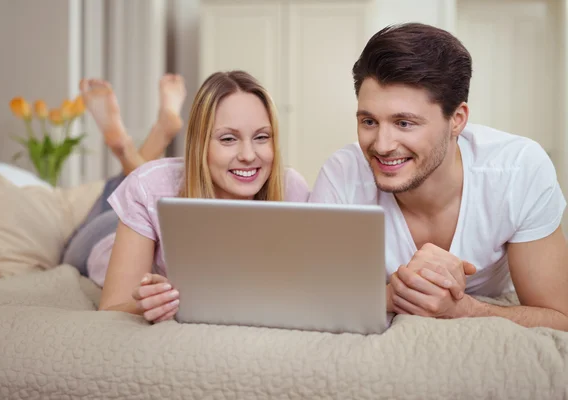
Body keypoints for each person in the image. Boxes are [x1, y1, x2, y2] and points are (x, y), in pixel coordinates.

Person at [309, 22, 568, 331]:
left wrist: (466, 310)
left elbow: (558, 316)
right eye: (368, 121)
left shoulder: (518, 170)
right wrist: (389, 297)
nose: (382, 145)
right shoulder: (342, 174)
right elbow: (312, 298)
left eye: (404, 123)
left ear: (457, 120)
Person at [93, 70, 310, 324]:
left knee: (136, 178)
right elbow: (111, 308)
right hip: (102, 237)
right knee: (114, 194)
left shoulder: (291, 189)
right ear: (200, 144)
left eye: (262, 137)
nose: (249, 155)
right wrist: (149, 305)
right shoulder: (147, 187)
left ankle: (141, 143)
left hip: (146, 195)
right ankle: (127, 146)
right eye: (228, 139)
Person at [62, 73, 187, 276]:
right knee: (128, 196)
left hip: (102, 234)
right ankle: (136, 145)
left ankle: (132, 147)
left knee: (121, 192)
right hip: (115, 232)